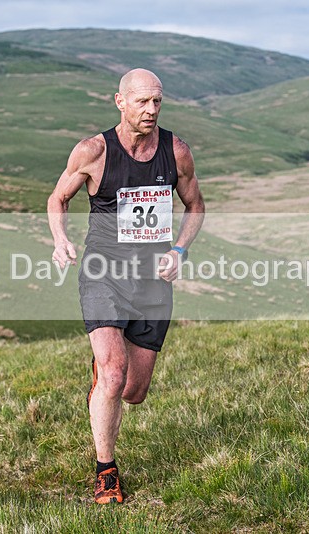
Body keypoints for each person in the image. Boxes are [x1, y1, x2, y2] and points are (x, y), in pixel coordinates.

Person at [47, 68, 205, 504]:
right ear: (119, 101)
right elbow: (58, 198)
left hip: (153, 281)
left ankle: (104, 379)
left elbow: (195, 205)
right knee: (115, 375)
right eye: (142, 102)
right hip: (103, 273)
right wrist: (60, 238)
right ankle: (106, 471)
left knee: (132, 391)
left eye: (158, 101)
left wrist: (180, 251)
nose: (151, 110)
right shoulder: (94, 151)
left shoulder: (176, 151)